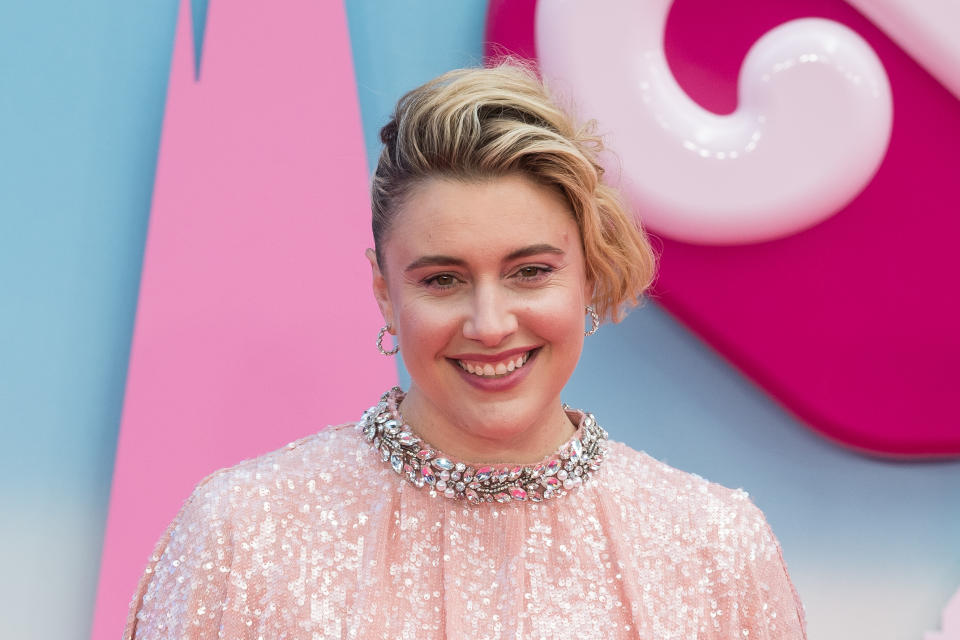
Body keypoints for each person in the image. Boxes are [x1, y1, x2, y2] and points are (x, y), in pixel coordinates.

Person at [123, 63, 806, 639]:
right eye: (443, 279)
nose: (489, 323)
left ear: (589, 273)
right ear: (385, 293)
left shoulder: (713, 545)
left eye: (530, 272)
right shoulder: (246, 532)